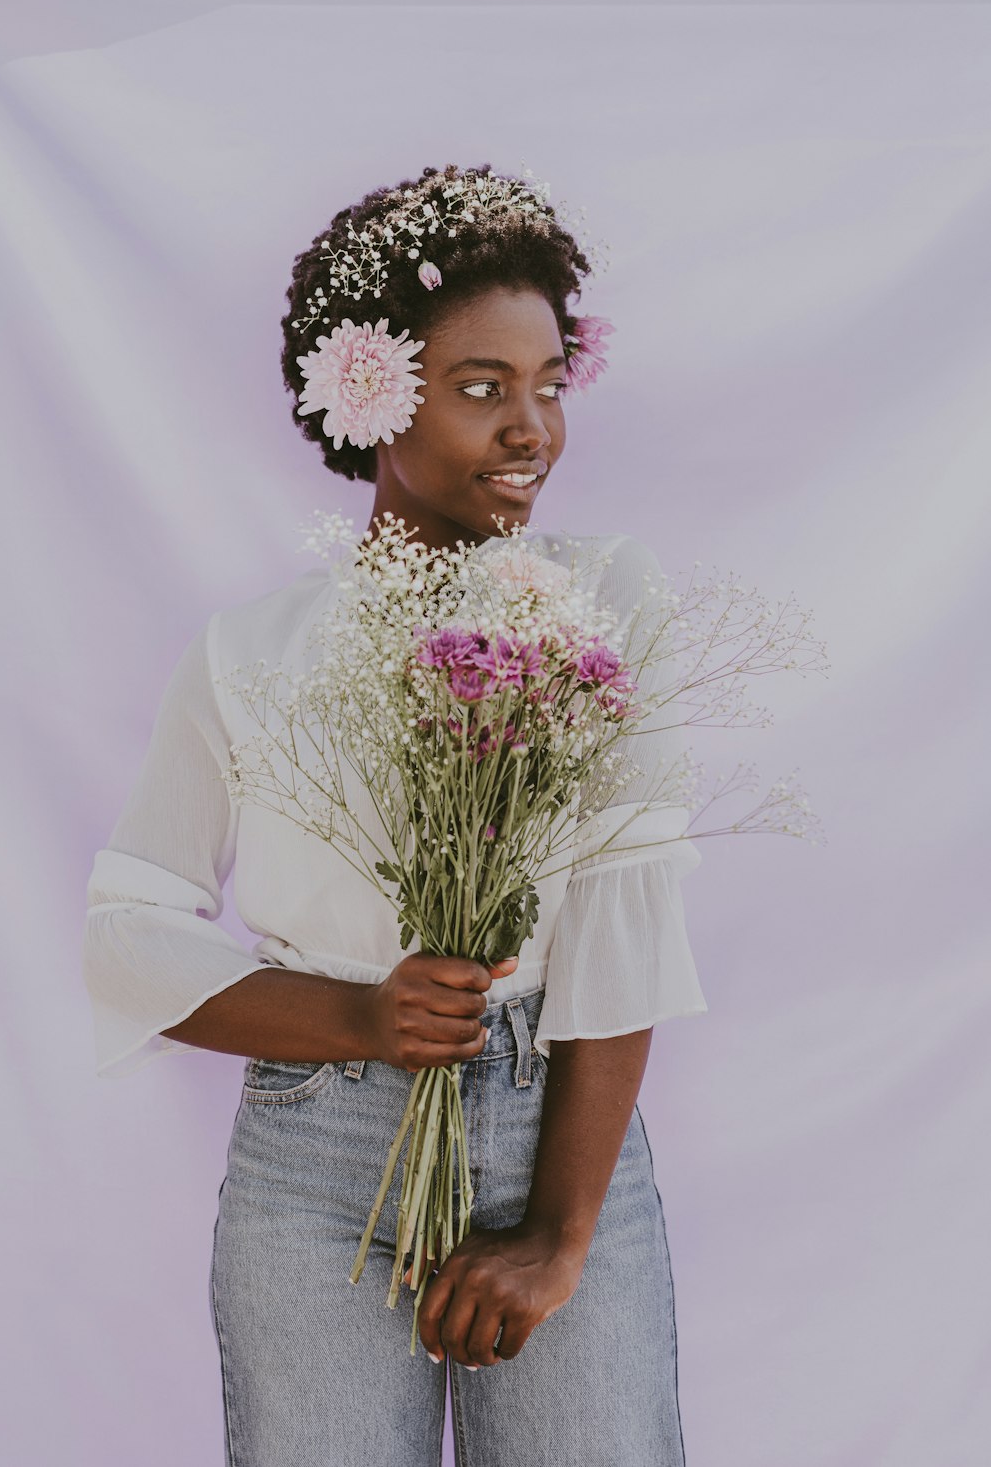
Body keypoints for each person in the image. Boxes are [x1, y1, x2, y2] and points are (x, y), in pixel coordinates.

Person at [82, 162, 709, 1466]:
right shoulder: (250, 655)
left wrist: (559, 1234)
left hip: (559, 1126)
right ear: (364, 391)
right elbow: (129, 928)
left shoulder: (604, 602)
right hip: (316, 1162)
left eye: (548, 384)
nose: (531, 426)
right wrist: (358, 1018)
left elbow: (623, 917)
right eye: (483, 387)